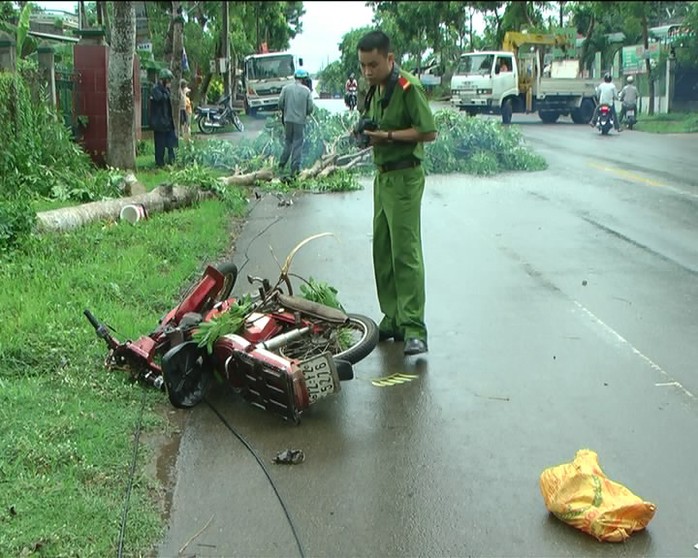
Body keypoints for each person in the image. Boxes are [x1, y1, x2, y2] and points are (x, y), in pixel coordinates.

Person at [356, 30, 437, 356]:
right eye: (363, 66)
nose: (367, 72)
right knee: (384, 251)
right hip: (383, 178)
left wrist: (387, 135)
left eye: (373, 64)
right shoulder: (376, 89)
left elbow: (428, 132)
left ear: (390, 58)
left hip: (405, 176)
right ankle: (393, 317)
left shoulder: (408, 87)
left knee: (405, 253)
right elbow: (375, 124)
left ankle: (415, 328)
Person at [277, 68, 314, 177]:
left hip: (287, 120)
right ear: (303, 79)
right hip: (300, 122)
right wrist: (303, 112)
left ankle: (281, 164)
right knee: (298, 143)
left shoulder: (286, 88)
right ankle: (294, 169)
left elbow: (280, 104)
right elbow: (310, 108)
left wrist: (287, 110)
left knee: (288, 142)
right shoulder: (306, 91)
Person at [150, 69, 178, 167]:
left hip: (167, 122)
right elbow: (160, 98)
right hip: (159, 123)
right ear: (163, 80)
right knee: (160, 145)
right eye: (168, 80)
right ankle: (160, 163)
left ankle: (172, 161)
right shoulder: (155, 89)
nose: (170, 83)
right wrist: (165, 91)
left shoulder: (166, 90)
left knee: (171, 143)